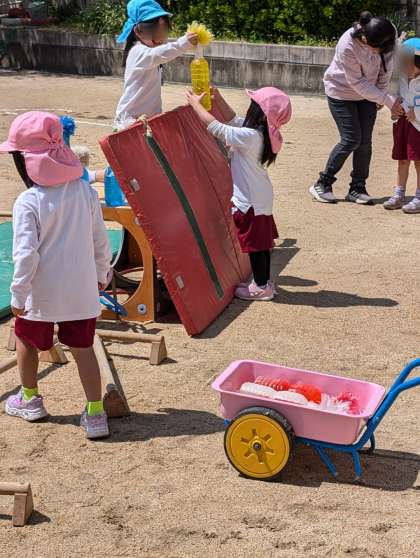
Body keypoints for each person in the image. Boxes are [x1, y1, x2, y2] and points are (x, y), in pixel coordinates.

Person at [1, 111, 112, 439]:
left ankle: (30, 399)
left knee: (26, 340)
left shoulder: (28, 201)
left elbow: (25, 255)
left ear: (25, 162)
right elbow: (100, 239)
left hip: (41, 294)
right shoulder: (85, 193)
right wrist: (102, 272)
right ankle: (96, 412)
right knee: (83, 348)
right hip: (80, 290)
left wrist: (18, 294)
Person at [186, 86, 292, 301]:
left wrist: (196, 106)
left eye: (253, 104)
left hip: (250, 201)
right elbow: (233, 120)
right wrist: (219, 99)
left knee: (255, 246)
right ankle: (264, 283)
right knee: (262, 244)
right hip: (260, 197)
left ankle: (260, 287)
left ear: (259, 112)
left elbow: (217, 128)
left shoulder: (250, 136)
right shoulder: (262, 133)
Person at [310, 11, 402, 205]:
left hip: (369, 94)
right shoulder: (347, 45)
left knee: (365, 142)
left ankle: (357, 188)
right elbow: (357, 83)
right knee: (351, 139)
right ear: (365, 39)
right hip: (341, 93)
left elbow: (386, 69)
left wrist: (380, 96)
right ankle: (322, 183)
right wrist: (386, 99)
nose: (378, 52)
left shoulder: (388, 34)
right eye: (376, 49)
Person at [114, 0, 198, 129]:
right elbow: (160, 54)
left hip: (147, 120)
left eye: (162, 32)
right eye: (154, 33)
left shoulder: (149, 51)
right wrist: (184, 43)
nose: (160, 39)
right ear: (138, 31)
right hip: (129, 122)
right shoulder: (138, 52)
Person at [384, 38, 420, 213]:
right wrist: (395, 106)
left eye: (409, 62)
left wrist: (417, 114)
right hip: (404, 124)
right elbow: (394, 95)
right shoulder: (403, 78)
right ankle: (399, 194)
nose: (405, 66)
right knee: (402, 159)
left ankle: (419, 197)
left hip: (418, 127)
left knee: (419, 162)